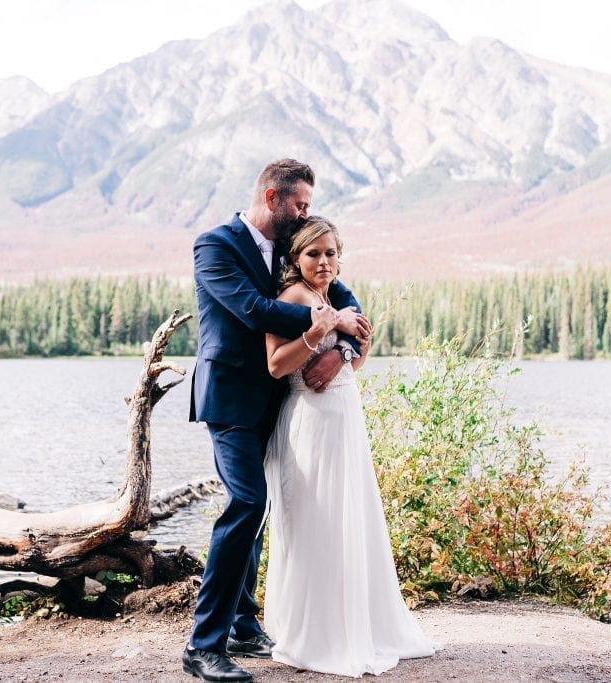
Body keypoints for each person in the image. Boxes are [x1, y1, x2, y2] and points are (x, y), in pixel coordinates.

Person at [184, 159, 371, 682]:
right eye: (300, 205)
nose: (306, 213)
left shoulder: (294, 248)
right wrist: (329, 324)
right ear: (273, 199)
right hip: (231, 400)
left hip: (285, 404)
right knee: (247, 501)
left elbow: (343, 294)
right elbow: (251, 310)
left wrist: (348, 343)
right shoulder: (215, 245)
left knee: (266, 507)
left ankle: (245, 623)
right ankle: (204, 645)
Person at [263, 216, 436, 677]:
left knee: (348, 519)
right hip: (311, 422)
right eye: (313, 254)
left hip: (343, 417)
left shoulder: (332, 297)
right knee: (316, 521)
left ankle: (354, 622)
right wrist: (318, 334)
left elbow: (352, 363)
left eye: (331, 253)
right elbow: (278, 366)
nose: (324, 262)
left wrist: (349, 350)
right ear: (296, 259)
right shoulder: (292, 299)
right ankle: (315, 632)